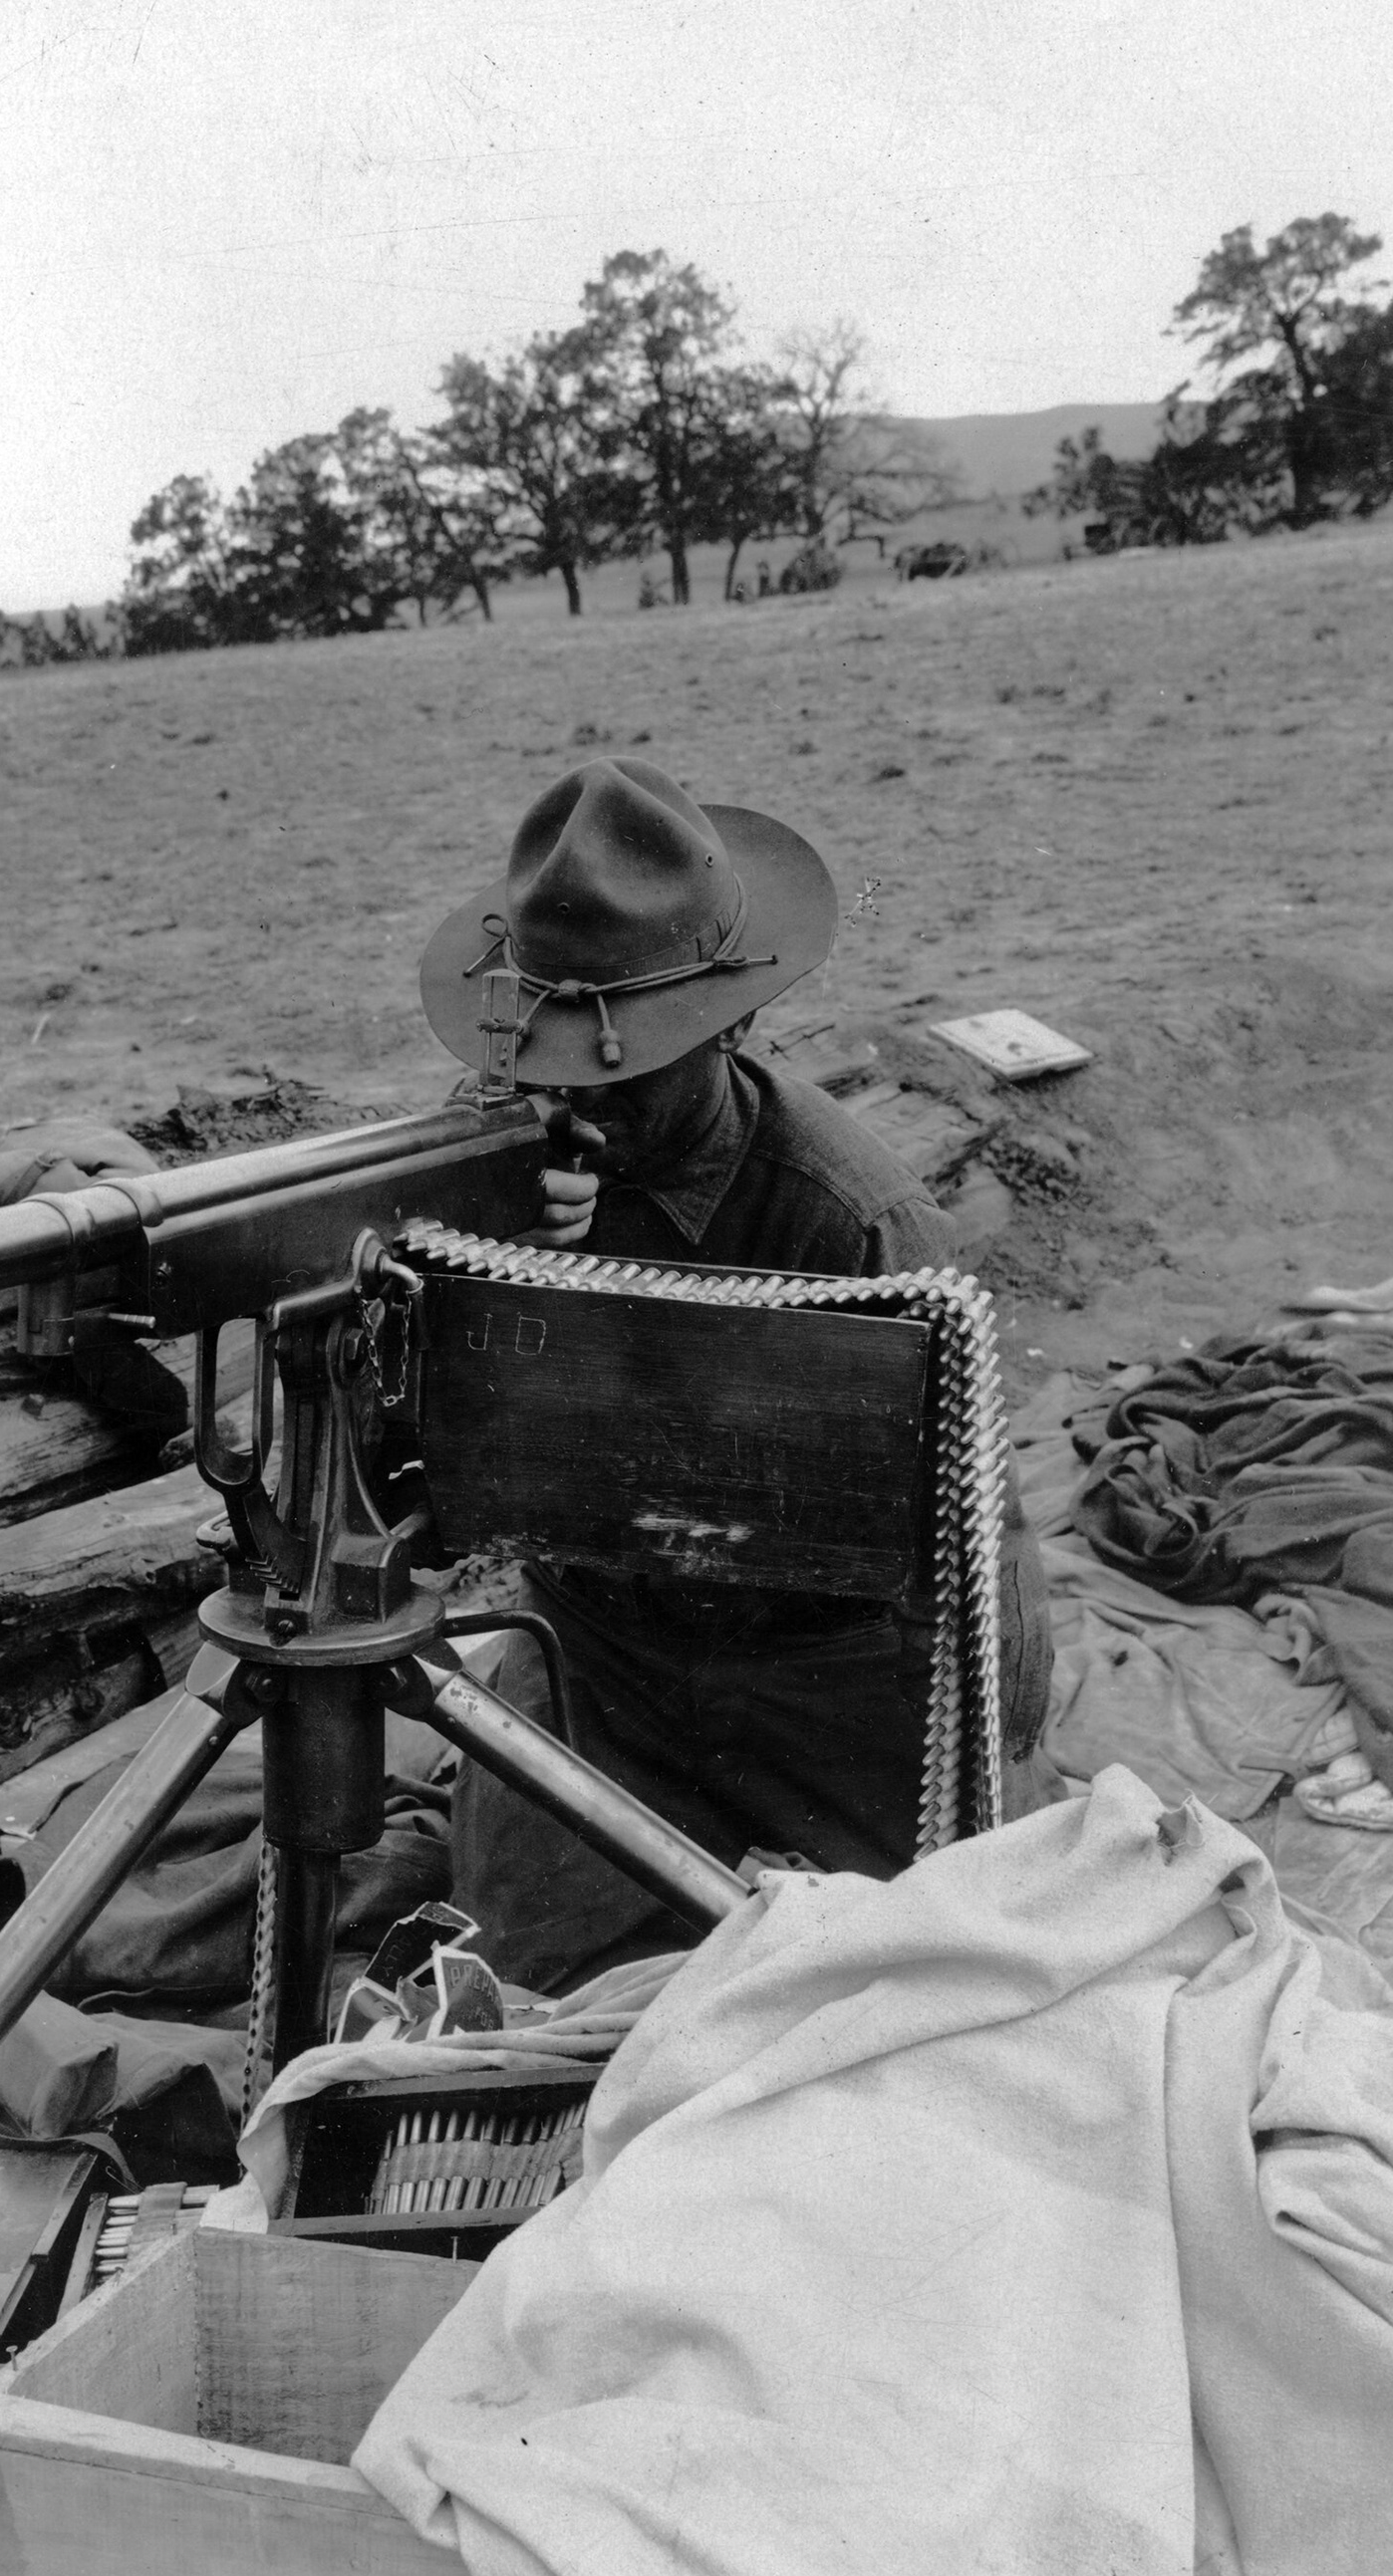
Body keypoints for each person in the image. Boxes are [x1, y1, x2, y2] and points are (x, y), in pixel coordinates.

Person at [417, 757, 1053, 1991]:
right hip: (602, 1644)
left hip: (824, 1663)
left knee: (945, 1970)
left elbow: (985, 1541)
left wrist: (998, 1767)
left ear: (731, 1028)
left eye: (619, 1066)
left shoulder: (856, 1223)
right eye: (548, 1058)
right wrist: (483, 1245)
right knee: (527, 1977)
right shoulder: (498, 1148)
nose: (571, 1099)